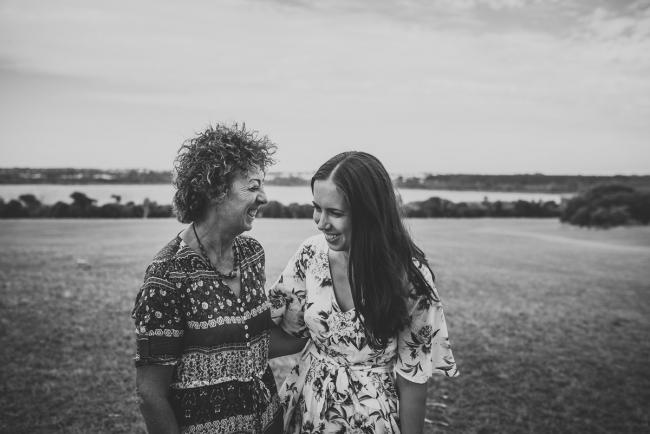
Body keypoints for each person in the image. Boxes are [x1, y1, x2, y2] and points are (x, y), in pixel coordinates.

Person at [268, 151, 459, 434]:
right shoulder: (310, 254)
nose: (321, 222)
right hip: (306, 403)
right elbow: (282, 333)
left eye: (335, 213)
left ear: (369, 213)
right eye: (317, 208)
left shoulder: (410, 278)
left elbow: (412, 379)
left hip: (370, 417)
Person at [132, 123, 288, 433]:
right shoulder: (168, 276)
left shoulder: (252, 254)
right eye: (253, 186)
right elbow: (150, 395)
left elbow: (253, 344)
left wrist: (326, 324)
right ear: (216, 189)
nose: (264, 197)